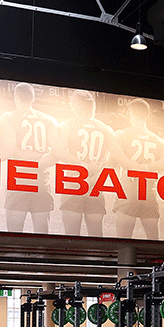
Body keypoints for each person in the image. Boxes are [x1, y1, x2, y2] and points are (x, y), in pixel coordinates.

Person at [55, 89, 127, 237]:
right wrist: (99, 172)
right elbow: (116, 159)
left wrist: (82, 164)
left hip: (73, 184)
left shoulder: (67, 125)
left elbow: (60, 153)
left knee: (71, 237)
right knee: (96, 237)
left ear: (77, 106)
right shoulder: (107, 129)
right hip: (95, 186)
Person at [0, 82, 59, 234]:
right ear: (33, 98)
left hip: (19, 179)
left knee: (13, 234)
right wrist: (38, 162)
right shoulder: (49, 120)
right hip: (41, 181)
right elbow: (56, 153)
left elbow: (9, 148)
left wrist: (23, 155)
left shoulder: (9, 116)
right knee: (41, 233)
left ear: (15, 97)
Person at [112, 98, 164, 240]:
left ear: (130, 113)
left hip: (129, 190)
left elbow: (112, 162)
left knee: (123, 244)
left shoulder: (122, 134)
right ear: (147, 115)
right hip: (149, 192)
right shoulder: (159, 141)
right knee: (154, 243)